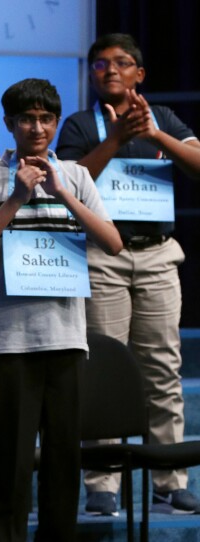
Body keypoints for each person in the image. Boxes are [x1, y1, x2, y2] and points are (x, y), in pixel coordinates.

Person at [0, 78, 123, 541]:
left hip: (65, 339)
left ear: (55, 123)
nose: (37, 127)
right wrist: (16, 197)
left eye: (45, 119)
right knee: (9, 459)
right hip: (7, 344)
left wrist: (61, 191)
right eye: (27, 119)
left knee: (62, 458)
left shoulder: (77, 176)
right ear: (9, 124)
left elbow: (112, 243)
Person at [56, 33, 200, 516]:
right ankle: (102, 483)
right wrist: (116, 139)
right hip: (102, 257)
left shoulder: (165, 119)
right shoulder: (79, 124)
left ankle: (170, 477)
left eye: (120, 63)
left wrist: (156, 135)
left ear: (140, 74)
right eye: (99, 65)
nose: (109, 71)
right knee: (103, 367)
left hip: (158, 256)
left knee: (162, 369)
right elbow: (70, 182)